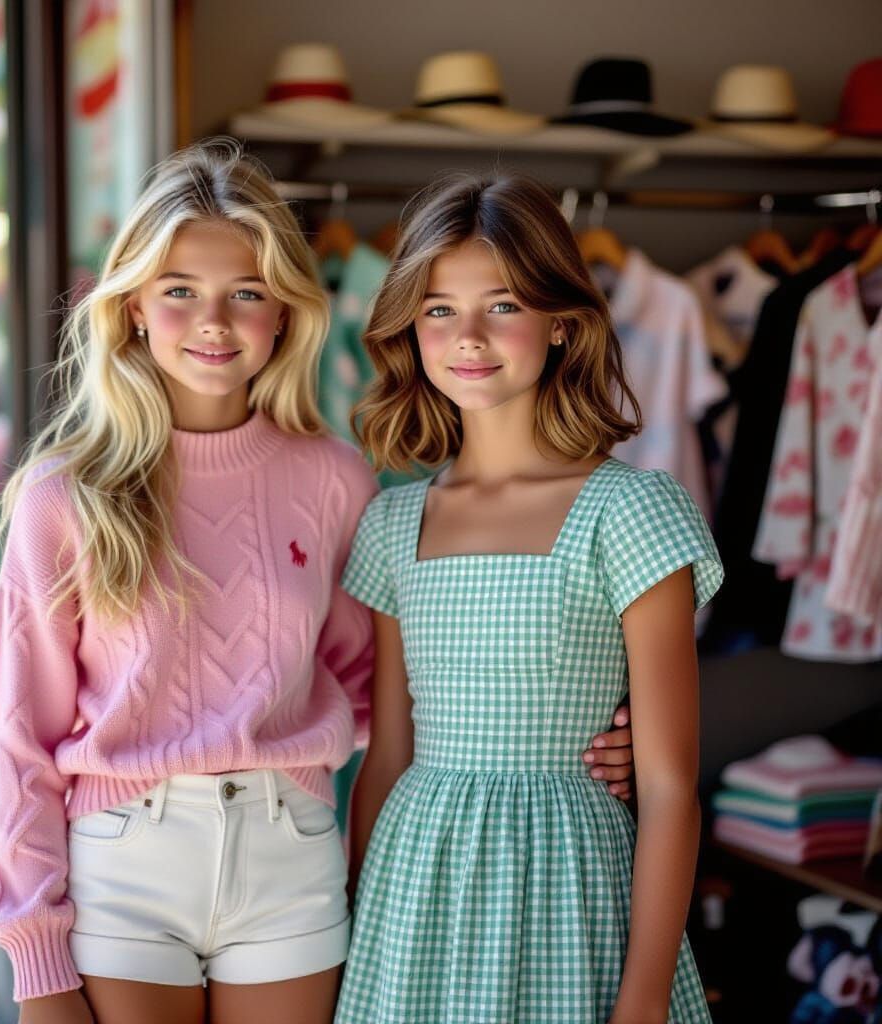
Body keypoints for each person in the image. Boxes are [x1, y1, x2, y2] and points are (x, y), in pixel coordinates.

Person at [0, 141, 636, 1024]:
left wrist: (575, 732)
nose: (213, 320)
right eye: (180, 290)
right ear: (133, 306)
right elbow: (20, 739)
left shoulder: (334, 479)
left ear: (284, 315)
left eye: (246, 293)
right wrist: (36, 962)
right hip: (122, 863)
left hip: (292, 857)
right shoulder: (67, 495)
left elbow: (384, 691)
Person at [336, 171, 722, 1023]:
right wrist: (359, 932)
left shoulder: (631, 510)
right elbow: (387, 757)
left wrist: (646, 997)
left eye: (502, 305)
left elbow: (667, 787)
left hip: (572, 892)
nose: (468, 336)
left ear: (561, 322)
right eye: (439, 309)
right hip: (416, 898)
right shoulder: (393, 523)